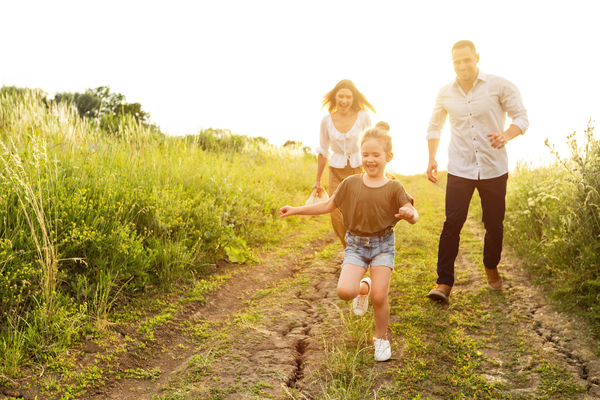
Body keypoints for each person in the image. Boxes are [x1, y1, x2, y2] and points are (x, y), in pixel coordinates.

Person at [281, 122, 418, 361]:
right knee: (345, 292)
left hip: (382, 245)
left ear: (388, 157)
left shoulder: (394, 187)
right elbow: (326, 205)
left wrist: (410, 215)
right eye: (365, 154)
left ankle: (381, 339)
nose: (370, 159)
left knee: (379, 297)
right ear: (360, 156)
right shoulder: (350, 183)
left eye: (376, 155)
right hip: (355, 244)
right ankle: (362, 287)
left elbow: (411, 211)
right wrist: (295, 209)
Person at [426, 40, 529, 302]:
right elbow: (435, 126)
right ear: (452, 63)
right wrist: (432, 158)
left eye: (466, 60)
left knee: (493, 225)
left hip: (494, 168)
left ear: (477, 58)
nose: (462, 65)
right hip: (460, 168)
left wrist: (506, 135)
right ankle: (444, 282)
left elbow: (522, 118)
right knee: (452, 223)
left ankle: (491, 265)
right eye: (456, 61)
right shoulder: (445, 92)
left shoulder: (499, 85)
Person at [314, 79, 375, 248]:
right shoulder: (326, 121)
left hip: (359, 170)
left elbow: (371, 143)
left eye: (348, 97)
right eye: (341, 96)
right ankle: (349, 252)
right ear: (335, 97)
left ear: (353, 98)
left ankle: (362, 250)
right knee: (336, 213)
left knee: (359, 212)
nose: (344, 101)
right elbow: (323, 151)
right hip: (336, 171)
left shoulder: (363, 117)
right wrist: (318, 180)